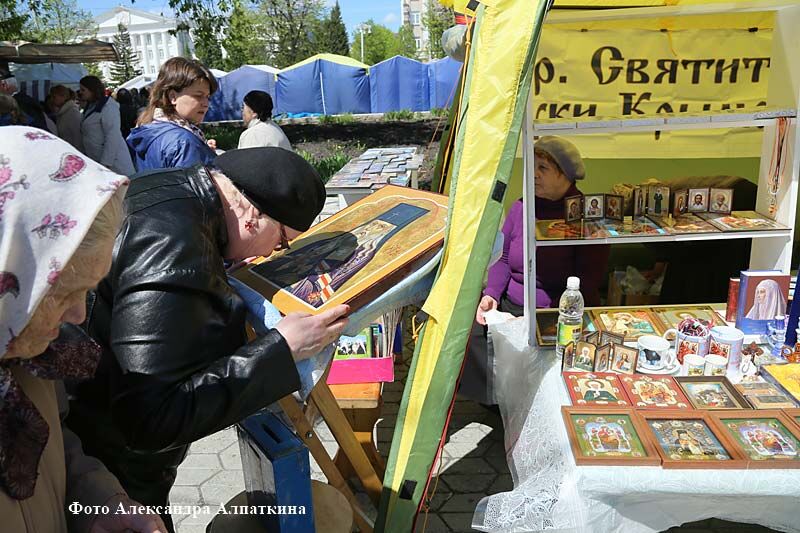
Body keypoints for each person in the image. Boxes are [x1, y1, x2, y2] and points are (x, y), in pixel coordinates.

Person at [65, 147, 349, 530]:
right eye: (281, 241)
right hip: (114, 477)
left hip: (89, 444)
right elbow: (150, 418)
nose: (271, 254)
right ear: (252, 215)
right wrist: (281, 349)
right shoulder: (176, 246)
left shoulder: (171, 187)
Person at [0, 126, 166, 533]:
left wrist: (100, 504)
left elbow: (53, 449)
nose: (78, 315)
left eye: (88, 292)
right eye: (63, 293)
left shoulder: (26, 358)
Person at [462, 136, 610, 405]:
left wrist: (545, 317)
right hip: (512, 304)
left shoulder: (587, 216)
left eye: (543, 168)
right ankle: (496, 402)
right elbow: (504, 257)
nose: (534, 174)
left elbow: (589, 279)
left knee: (543, 350)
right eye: (533, 166)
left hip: (555, 309)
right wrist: (492, 294)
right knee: (472, 330)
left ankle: (539, 401)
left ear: (565, 175)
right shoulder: (521, 206)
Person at [127, 58, 218, 171]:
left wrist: (203, 151)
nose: (206, 104)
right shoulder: (183, 142)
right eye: (198, 96)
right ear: (173, 97)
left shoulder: (150, 129)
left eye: (207, 97)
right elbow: (201, 187)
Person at [78, 76, 134, 175]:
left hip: (113, 162)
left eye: (83, 90)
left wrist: (105, 163)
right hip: (98, 160)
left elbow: (113, 135)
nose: (80, 92)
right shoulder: (90, 107)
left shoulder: (108, 107)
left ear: (92, 90)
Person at [49, 85, 83, 151]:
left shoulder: (72, 112)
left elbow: (78, 138)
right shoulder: (62, 112)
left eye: (54, 96)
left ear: (63, 97)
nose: (52, 99)